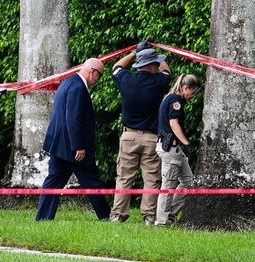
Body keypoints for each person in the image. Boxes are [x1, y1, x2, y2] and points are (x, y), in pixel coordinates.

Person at [36, 58, 111, 221]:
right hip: (72, 148)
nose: (98, 80)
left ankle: (42, 218)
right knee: (92, 181)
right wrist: (79, 146)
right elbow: (74, 119)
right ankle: (106, 216)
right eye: (100, 76)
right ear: (93, 72)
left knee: (53, 183)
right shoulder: (78, 88)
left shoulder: (68, 83)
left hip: (59, 145)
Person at [109, 42, 171, 225]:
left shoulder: (126, 79)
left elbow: (116, 67)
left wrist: (135, 52)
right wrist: (161, 55)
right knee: (151, 179)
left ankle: (118, 215)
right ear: (153, 65)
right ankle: (149, 216)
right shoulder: (159, 82)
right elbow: (167, 72)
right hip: (151, 138)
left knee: (124, 177)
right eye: (156, 64)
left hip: (129, 136)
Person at [155, 74, 201, 227]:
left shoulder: (173, 98)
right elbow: (174, 124)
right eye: (192, 93)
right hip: (170, 148)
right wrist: (187, 143)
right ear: (186, 87)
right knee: (168, 185)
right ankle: (161, 222)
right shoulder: (175, 101)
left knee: (188, 181)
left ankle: (171, 215)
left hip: (175, 148)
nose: (193, 97)